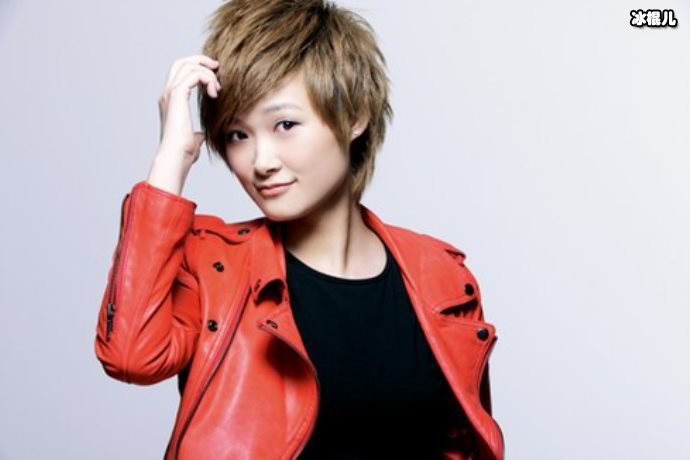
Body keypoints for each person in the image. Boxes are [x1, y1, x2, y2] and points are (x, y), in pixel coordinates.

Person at [94, 0, 504, 458]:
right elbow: (130, 356)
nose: (262, 162)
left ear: (354, 116)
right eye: (237, 135)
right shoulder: (214, 267)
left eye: (285, 124)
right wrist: (171, 157)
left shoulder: (442, 278)